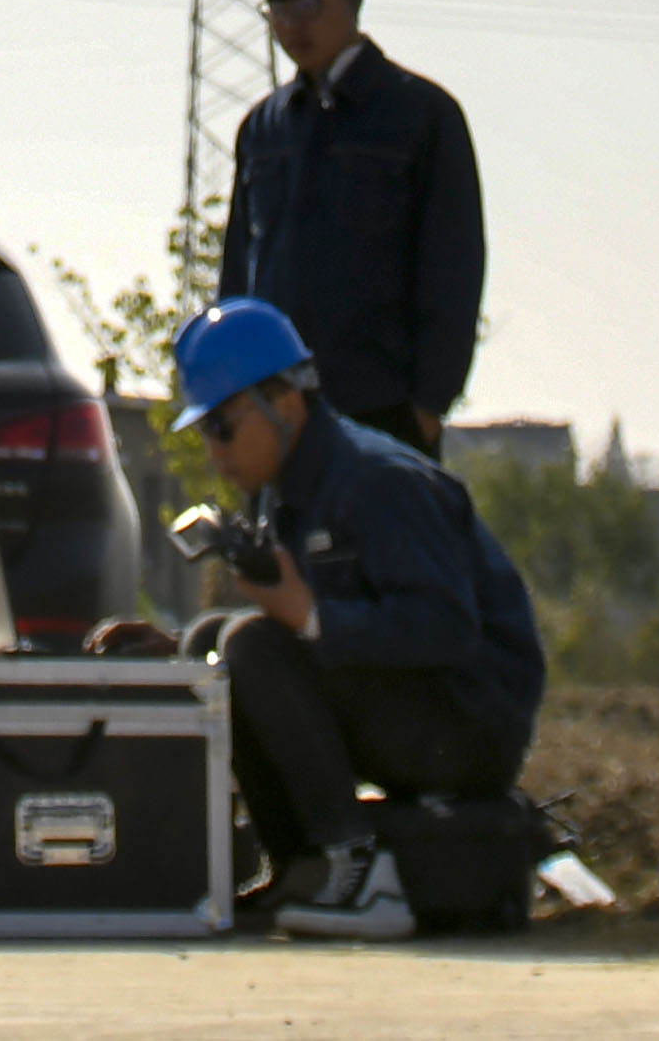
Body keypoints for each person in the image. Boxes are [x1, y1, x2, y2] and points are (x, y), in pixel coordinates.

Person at [168, 295, 544, 943]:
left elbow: (447, 630)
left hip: (471, 724)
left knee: (253, 643)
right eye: (206, 433)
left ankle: (359, 872)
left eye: (223, 427)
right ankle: (304, 867)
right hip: (418, 709)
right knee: (211, 644)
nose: (215, 453)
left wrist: (309, 615)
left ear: (286, 404)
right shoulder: (294, 494)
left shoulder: (379, 481)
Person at [210, 0, 484, 453]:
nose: (294, 23)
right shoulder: (263, 131)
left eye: (311, 1)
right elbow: (238, 278)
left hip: (382, 416)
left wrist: (428, 405)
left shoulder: (420, 117)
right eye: (279, 5)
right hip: (277, 418)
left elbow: (453, 270)